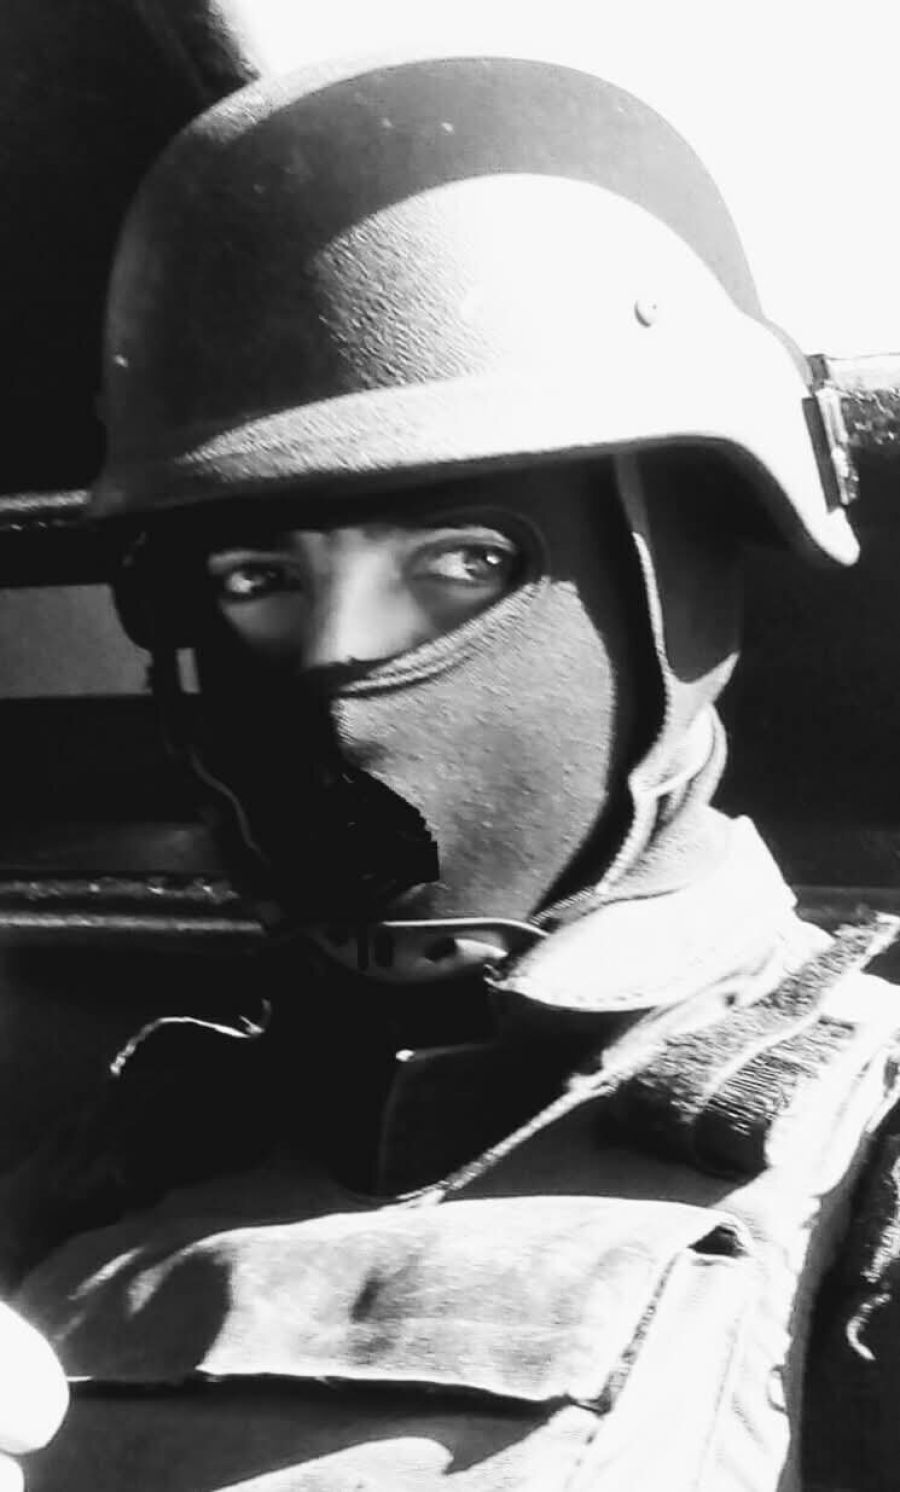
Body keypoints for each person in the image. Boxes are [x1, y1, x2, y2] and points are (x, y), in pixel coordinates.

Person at [4, 46, 899, 1492]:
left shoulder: (860, 1154)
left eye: (458, 564)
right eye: (256, 582)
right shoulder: (115, 1153)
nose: (337, 674)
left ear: (673, 584)